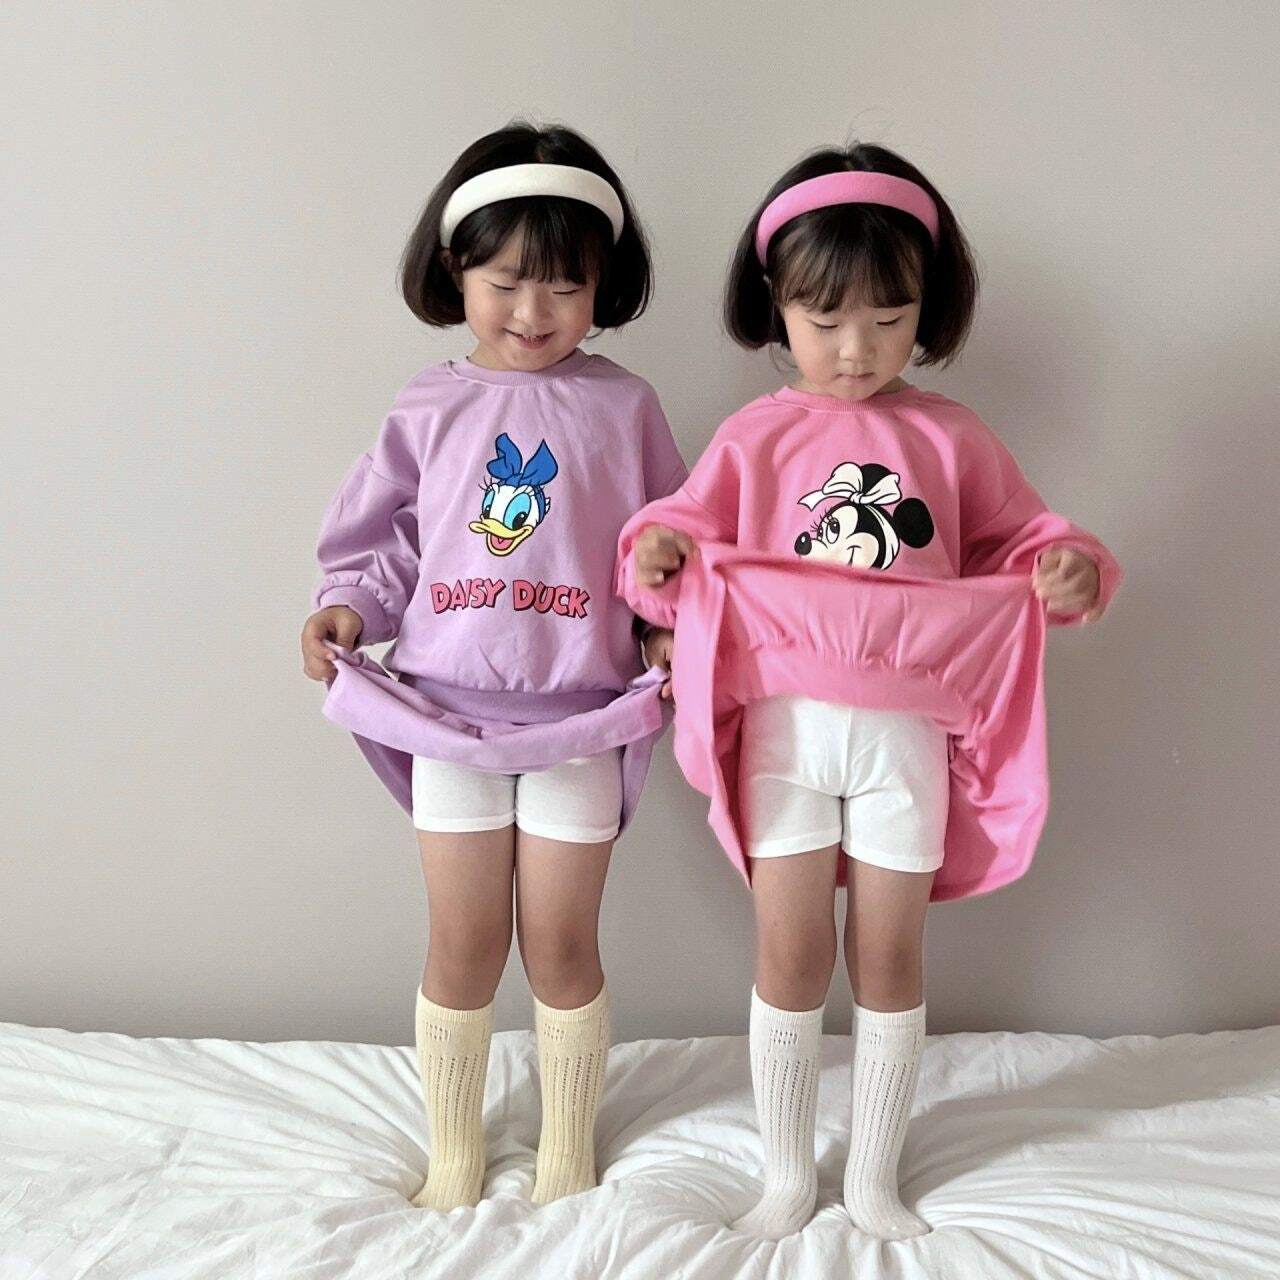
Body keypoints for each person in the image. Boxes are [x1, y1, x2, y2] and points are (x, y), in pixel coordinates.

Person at [616, 141, 1121, 1239]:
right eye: (824, 318)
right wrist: (655, 554)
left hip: (906, 739)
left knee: (888, 954)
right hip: (784, 733)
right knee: (790, 951)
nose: (856, 349)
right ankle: (786, 1175)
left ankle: (875, 1177)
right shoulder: (754, 436)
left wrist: (1068, 565)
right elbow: (677, 535)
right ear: (775, 304)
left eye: (889, 318)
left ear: (927, 308)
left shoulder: (950, 435)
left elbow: (1025, 536)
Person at [302, 121, 685, 1211]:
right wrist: (344, 607)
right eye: (506, 282)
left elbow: (667, 541)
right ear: (454, 269)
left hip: (580, 717)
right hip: (445, 715)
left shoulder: (625, 407)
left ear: (603, 284)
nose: (533, 310)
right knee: (463, 940)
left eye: (564, 285)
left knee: (560, 940)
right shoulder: (428, 404)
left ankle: (565, 1153)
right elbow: (389, 541)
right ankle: (454, 1155)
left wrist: (665, 621)